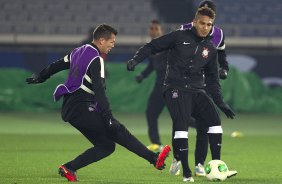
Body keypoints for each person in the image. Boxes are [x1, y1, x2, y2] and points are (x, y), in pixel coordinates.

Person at [26, 24, 171, 182]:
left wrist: (40, 77)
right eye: (112, 41)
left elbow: (56, 65)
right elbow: (100, 91)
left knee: (106, 146)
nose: (113, 45)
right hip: (81, 107)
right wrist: (108, 116)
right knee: (117, 129)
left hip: (71, 108)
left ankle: (69, 167)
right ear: (101, 40)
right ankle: (154, 159)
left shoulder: (78, 51)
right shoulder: (97, 59)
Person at [127, 7, 236, 182]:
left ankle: (215, 164)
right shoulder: (179, 36)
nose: (205, 27)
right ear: (194, 22)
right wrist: (136, 59)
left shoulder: (210, 48)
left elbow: (212, 79)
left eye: (209, 24)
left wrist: (220, 102)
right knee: (181, 124)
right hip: (175, 88)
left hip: (197, 90)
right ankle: (185, 171)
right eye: (202, 23)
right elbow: (153, 46)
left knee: (214, 122)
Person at [170, 0, 233, 177]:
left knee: (205, 125)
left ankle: (199, 163)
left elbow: (222, 55)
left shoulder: (219, 34)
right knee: (180, 122)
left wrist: (224, 69)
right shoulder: (183, 29)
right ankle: (177, 158)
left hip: (202, 87)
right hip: (182, 85)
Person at [135, 20, 168, 152]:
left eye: (156, 28)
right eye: (151, 28)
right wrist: (142, 75)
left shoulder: (168, 45)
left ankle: (204, 128)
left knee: (183, 117)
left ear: (161, 31)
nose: (153, 31)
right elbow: (151, 66)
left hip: (171, 86)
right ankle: (156, 143)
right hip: (159, 86)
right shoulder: (152, 48)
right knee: (151, 113)